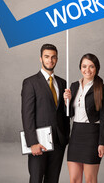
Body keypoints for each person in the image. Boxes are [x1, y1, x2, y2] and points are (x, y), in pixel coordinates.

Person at [21, 43, 70, 183]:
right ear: (40, 58)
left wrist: (65, 136)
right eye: (47, 57)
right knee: (36, 179)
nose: (50, 60)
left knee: (53, 179)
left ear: (57, 59)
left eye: (53, 57)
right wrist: (32, 142)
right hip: (39, 142)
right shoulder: (30, 83)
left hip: (59, 142)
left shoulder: (62, 83)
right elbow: (27, 114)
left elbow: (64, 113)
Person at [63, 53, 104, 183]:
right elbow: (70, 114)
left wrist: (102, 142)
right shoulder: (73, 86)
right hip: (76, 134)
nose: (87, 70)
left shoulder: (103, 89)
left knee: (90, 180)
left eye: (91, 66)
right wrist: (67, 102)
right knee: (74, 180)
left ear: (96, 69)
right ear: (80, 68)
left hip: (92, 136)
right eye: (84, 66)